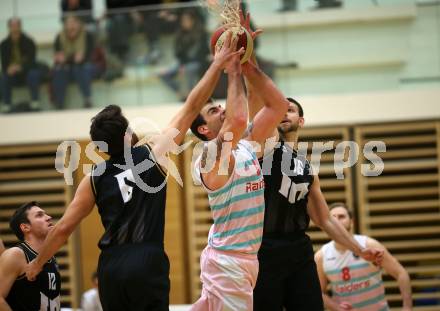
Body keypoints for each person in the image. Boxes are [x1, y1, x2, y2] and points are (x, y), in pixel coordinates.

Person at [25, 32, 243, 311]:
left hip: (110, 266)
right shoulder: (151, 153)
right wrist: (218, 64)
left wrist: (37, 264)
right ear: (128, 134)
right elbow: (191, 107)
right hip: (145, 259)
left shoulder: (94, 177)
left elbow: (64, 227)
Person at [233, 11, 384, 311]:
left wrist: (359, 250)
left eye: (290, 110)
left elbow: (325, 219)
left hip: (299, 249)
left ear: (300, 120)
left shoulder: (306, 167)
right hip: (265, 250)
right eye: (280, 108)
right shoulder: (264, 146)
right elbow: (256, 101)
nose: (283, 112)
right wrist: (248, 58)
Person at [189, 27, 289, 310]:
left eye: (220, 106)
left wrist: (248, 65)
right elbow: (237, 119)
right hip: (228, 262)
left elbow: (277, 105)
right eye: (212, 111)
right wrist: (233, 70)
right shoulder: (208, 157)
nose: (221, 109)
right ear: (204, 129)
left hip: (243, 259)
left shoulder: (245, 146)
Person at [315, 203, 413, 311]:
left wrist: (407, 307)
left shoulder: (369, 245)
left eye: (341, 216)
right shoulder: (321, 256)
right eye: (333, 218)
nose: (337, 220)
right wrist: (335, 307)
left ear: (352, 222)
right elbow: (319, 292)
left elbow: (401, 273)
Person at [0, 202, 61, 310]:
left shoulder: (50, 257)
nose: (48, 217)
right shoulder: (16, 254)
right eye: (39, 215)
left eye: (46, 214)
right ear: (25, 227)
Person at [159, 10, 210, 101]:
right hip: (182, 62)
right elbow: (178, 53)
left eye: (187, 20)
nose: (184, 22)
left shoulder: (201, 33)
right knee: (163, 74)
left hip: (196, 62)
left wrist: (184, 65)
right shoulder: (180, 34)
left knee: (189, 69)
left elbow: (202, 53)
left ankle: (190, 96)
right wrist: (182, 64)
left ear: (193, 20)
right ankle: (181, 92)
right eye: (183, 20)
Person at [52, 15, 97, 109]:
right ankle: (59, 103)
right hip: (68, 67)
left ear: (79, 24)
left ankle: (87, 99)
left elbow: (91, 55)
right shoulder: (59, 37)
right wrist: (61, 59)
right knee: (59, 70)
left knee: (81, 68)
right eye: (68, 23)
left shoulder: (87, 36)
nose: (71, 26)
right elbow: (58, 56)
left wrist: (81, 58)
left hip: (86, 65)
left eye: (73, 23)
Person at [0, 18, 42, 113]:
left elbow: (32, 62)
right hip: (12, 74)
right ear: (9, 28)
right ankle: (7, 104)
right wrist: (9, 69)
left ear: (20, 27)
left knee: (34, 73)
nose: (15, 28)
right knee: (3, 76)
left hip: (26, 73)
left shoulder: (29, 41)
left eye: (17, 26)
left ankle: (35, 102)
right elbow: (4, 64)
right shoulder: (4, 44)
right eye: (12, 26)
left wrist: (20, 67)